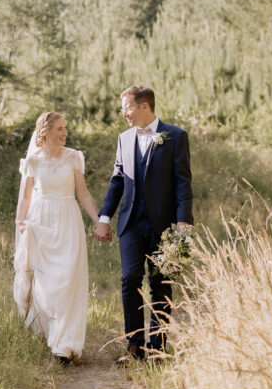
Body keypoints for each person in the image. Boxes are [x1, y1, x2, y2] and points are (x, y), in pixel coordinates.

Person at [94, 85, 193, 365]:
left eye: (127, 107)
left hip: (165, 225)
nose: (124, 113)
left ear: (144, 107)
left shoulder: (175, 136)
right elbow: (117, 180)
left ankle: (157, 348)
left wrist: (183, 223)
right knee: (130, 280)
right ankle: (134, 346)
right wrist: (104, 218)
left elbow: (184, 182)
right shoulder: (124, 139)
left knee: (161, 284)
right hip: (131, 224)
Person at [13, 111, 100, 365]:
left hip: (67, 219)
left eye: (65, 128)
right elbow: (26, 197)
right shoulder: (33, 161)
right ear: (46, 131)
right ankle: (50, 334)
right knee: (44, 281)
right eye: (60, 128)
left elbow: (83, 194)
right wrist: (21, 222)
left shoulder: (74, 158)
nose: (65, 133)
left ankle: (65, 345)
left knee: (67, 278)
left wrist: (99, 221)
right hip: (40, 222)